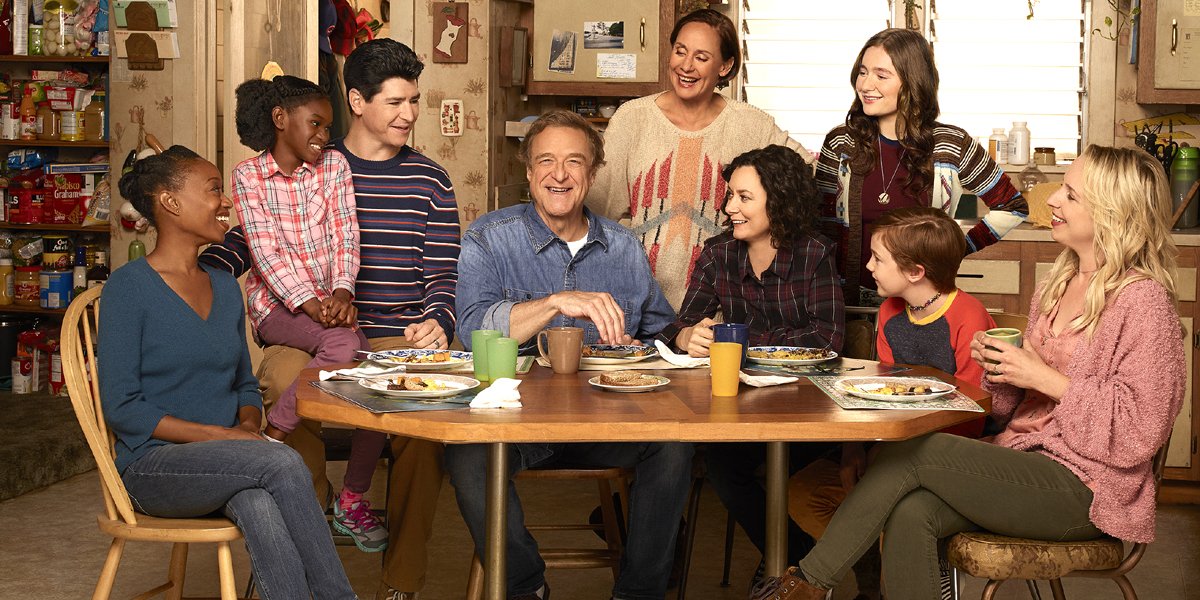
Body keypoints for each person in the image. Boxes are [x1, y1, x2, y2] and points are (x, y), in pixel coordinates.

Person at [754, 145, 1186, 600]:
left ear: (1112, 213)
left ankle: (807, 585)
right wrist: (998, 371)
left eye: (1071, 195)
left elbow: (1142, 430)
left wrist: (1042, 377)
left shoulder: (1143, 303)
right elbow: (1006, 410)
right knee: (912, 511)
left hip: (1091, 490)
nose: (1053, 200)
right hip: (1025, 459)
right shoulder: (1057, 285)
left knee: (916, 450)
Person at [201, 39, 458, 600]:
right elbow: (253, 241)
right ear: (357, 101)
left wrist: (438, 319)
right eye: (395, 102)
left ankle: (401, 583)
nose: (409, 115)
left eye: (415, 101)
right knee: (289, 378)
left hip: (399, 333)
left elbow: (443, 276)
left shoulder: (431, 181)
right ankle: (304, 545)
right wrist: (205, 266)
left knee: (423, 426)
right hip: (311, 327)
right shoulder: (311, 157)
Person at [449, 110, 690, 600]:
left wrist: (683, 338)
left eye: (574, 162)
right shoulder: (488, 239)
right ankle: (524, 583)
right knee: (466, 454)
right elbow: (472, 327)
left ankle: (638, 593)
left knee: (674, 445)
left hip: (606, 426)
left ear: (593, 174)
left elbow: (660, 328)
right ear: (529, 171)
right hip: (519, 427)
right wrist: (557, 302)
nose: (559, 175)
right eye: (547, 162)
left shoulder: (623, 248)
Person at [100, 146, 358, 600]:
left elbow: (243, 381)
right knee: (281, 461)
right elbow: (123, 409)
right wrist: (228, 440)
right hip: (152, 468)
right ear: (170, 202)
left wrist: (245, 426)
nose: (227, 202)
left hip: (227, 460)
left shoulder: (222, 284)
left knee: (258, 502)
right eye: (214, 190)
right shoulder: (128, 287)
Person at [655, 144, 842, 584]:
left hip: (809, 409)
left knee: (784, 466)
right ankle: (796, 559)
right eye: (729, 196)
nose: (728, 207)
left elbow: (826, 340)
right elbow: (679, 325)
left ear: (777, 200)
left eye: (743, 197)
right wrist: (686, 336)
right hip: (739, 407)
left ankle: (788, 565)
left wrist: (736, 342)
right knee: (723, 467)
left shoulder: (814, 254)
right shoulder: (719, 253)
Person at [788, 207, 994, 599]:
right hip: (888, 448)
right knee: (803, 492)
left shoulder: (968, 317)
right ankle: (875, 586)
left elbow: (972, 415)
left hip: (945, 457)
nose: (868, 267)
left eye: (878, 259)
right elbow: (876, 394)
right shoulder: (889, 311)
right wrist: (853, 450)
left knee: (896, 511)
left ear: (915, 271)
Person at [230, 74, 392, 555]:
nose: (324, 135)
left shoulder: (335, 167)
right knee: (344, 346)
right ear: (280, 119)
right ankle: (278, 435)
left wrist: (342, 290)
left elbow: (347, 234)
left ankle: (345, 493)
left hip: (332, 304)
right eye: (315, 124)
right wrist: (310, 302)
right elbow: (265, 252)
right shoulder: (248, 177)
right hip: (278, 308)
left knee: (375, 386)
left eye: (328, 125)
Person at [587, 8, 808, 309]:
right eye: (680, 51)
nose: (686, 66)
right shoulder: (632, 119)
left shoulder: (751, 125)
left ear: (725, 65)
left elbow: (803, 171)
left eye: (701, 58)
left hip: (720, 309)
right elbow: (594, 209)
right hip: (636, 302)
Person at [815, 28, 1027, 311]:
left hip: (926, 307)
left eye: (881, 75)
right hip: (848, 307)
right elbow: (820, 224)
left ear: (913, 81)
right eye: (862, 72)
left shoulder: (951, 145)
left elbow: (1012, 206)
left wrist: (953, 249)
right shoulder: (841, 142)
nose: (865, 85)